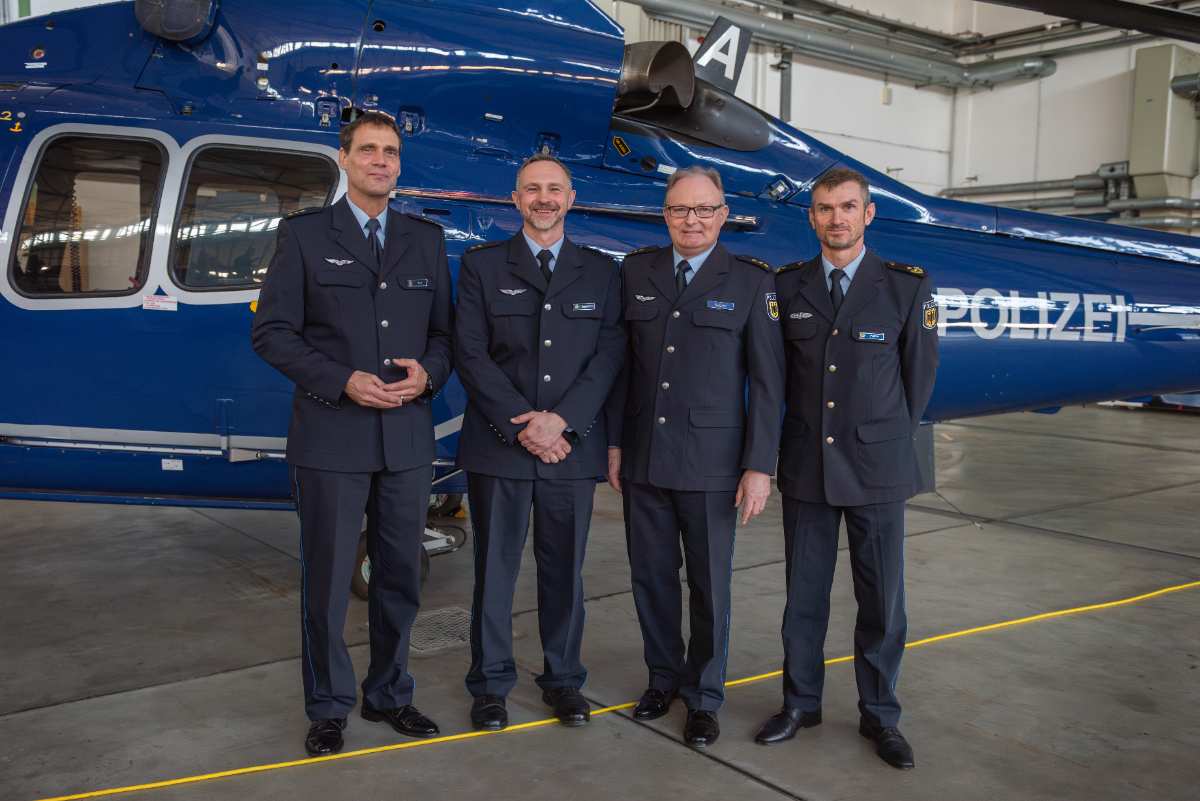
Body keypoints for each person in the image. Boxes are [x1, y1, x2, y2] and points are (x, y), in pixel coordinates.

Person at [251, 110, 453, 757]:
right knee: (330, 580)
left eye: (391, 151)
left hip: (405, 441)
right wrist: (343, 379)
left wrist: (429, 374)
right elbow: (271, 333)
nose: (381, 161)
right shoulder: (306, 236)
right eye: (368, 149)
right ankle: (329, 705)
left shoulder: (425, 239)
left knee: (399, 577)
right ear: (344, 158)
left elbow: (447, 338)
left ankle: (390, 692)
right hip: (332, 437)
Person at [753, 167, 938, 770]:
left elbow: (917, 383)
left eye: (848, 207)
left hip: (879, 468)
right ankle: (800, 704)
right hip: (808, 464)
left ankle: (880, 715)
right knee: (803, 598)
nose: (837, 218)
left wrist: (884, 440)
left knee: (882, 600)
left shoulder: (905, 287)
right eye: (825, 208)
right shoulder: (787, 287)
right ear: (811, 217)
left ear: (869, 214)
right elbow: (775, 381)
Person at [606, 165, 785, 748]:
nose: (693, 220)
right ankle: (663, 680)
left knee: (709, 585)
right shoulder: (636, 271)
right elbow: (622, 368)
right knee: (651, 578)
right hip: (645, 457)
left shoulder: (753, 282)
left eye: (705, 210)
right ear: (665, 214)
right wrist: (614, 442)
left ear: (723, 215)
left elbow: (767, 383)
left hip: (714, 463)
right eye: (682, 209)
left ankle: (705, 697)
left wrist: (760, 465)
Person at [454, 153, 624, 732]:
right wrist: (524, 423)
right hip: (500, 445)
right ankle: (491, 684)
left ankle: (563, 681)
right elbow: (470, 353)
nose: (543, 198)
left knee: (564, 574)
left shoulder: (601, 271)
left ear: (571, 199)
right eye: (532, 189)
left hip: (569, 450)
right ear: (515, 199)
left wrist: (562, 422)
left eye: (554, 189)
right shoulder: (481, 266)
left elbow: (608, 357)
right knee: (494, 572)